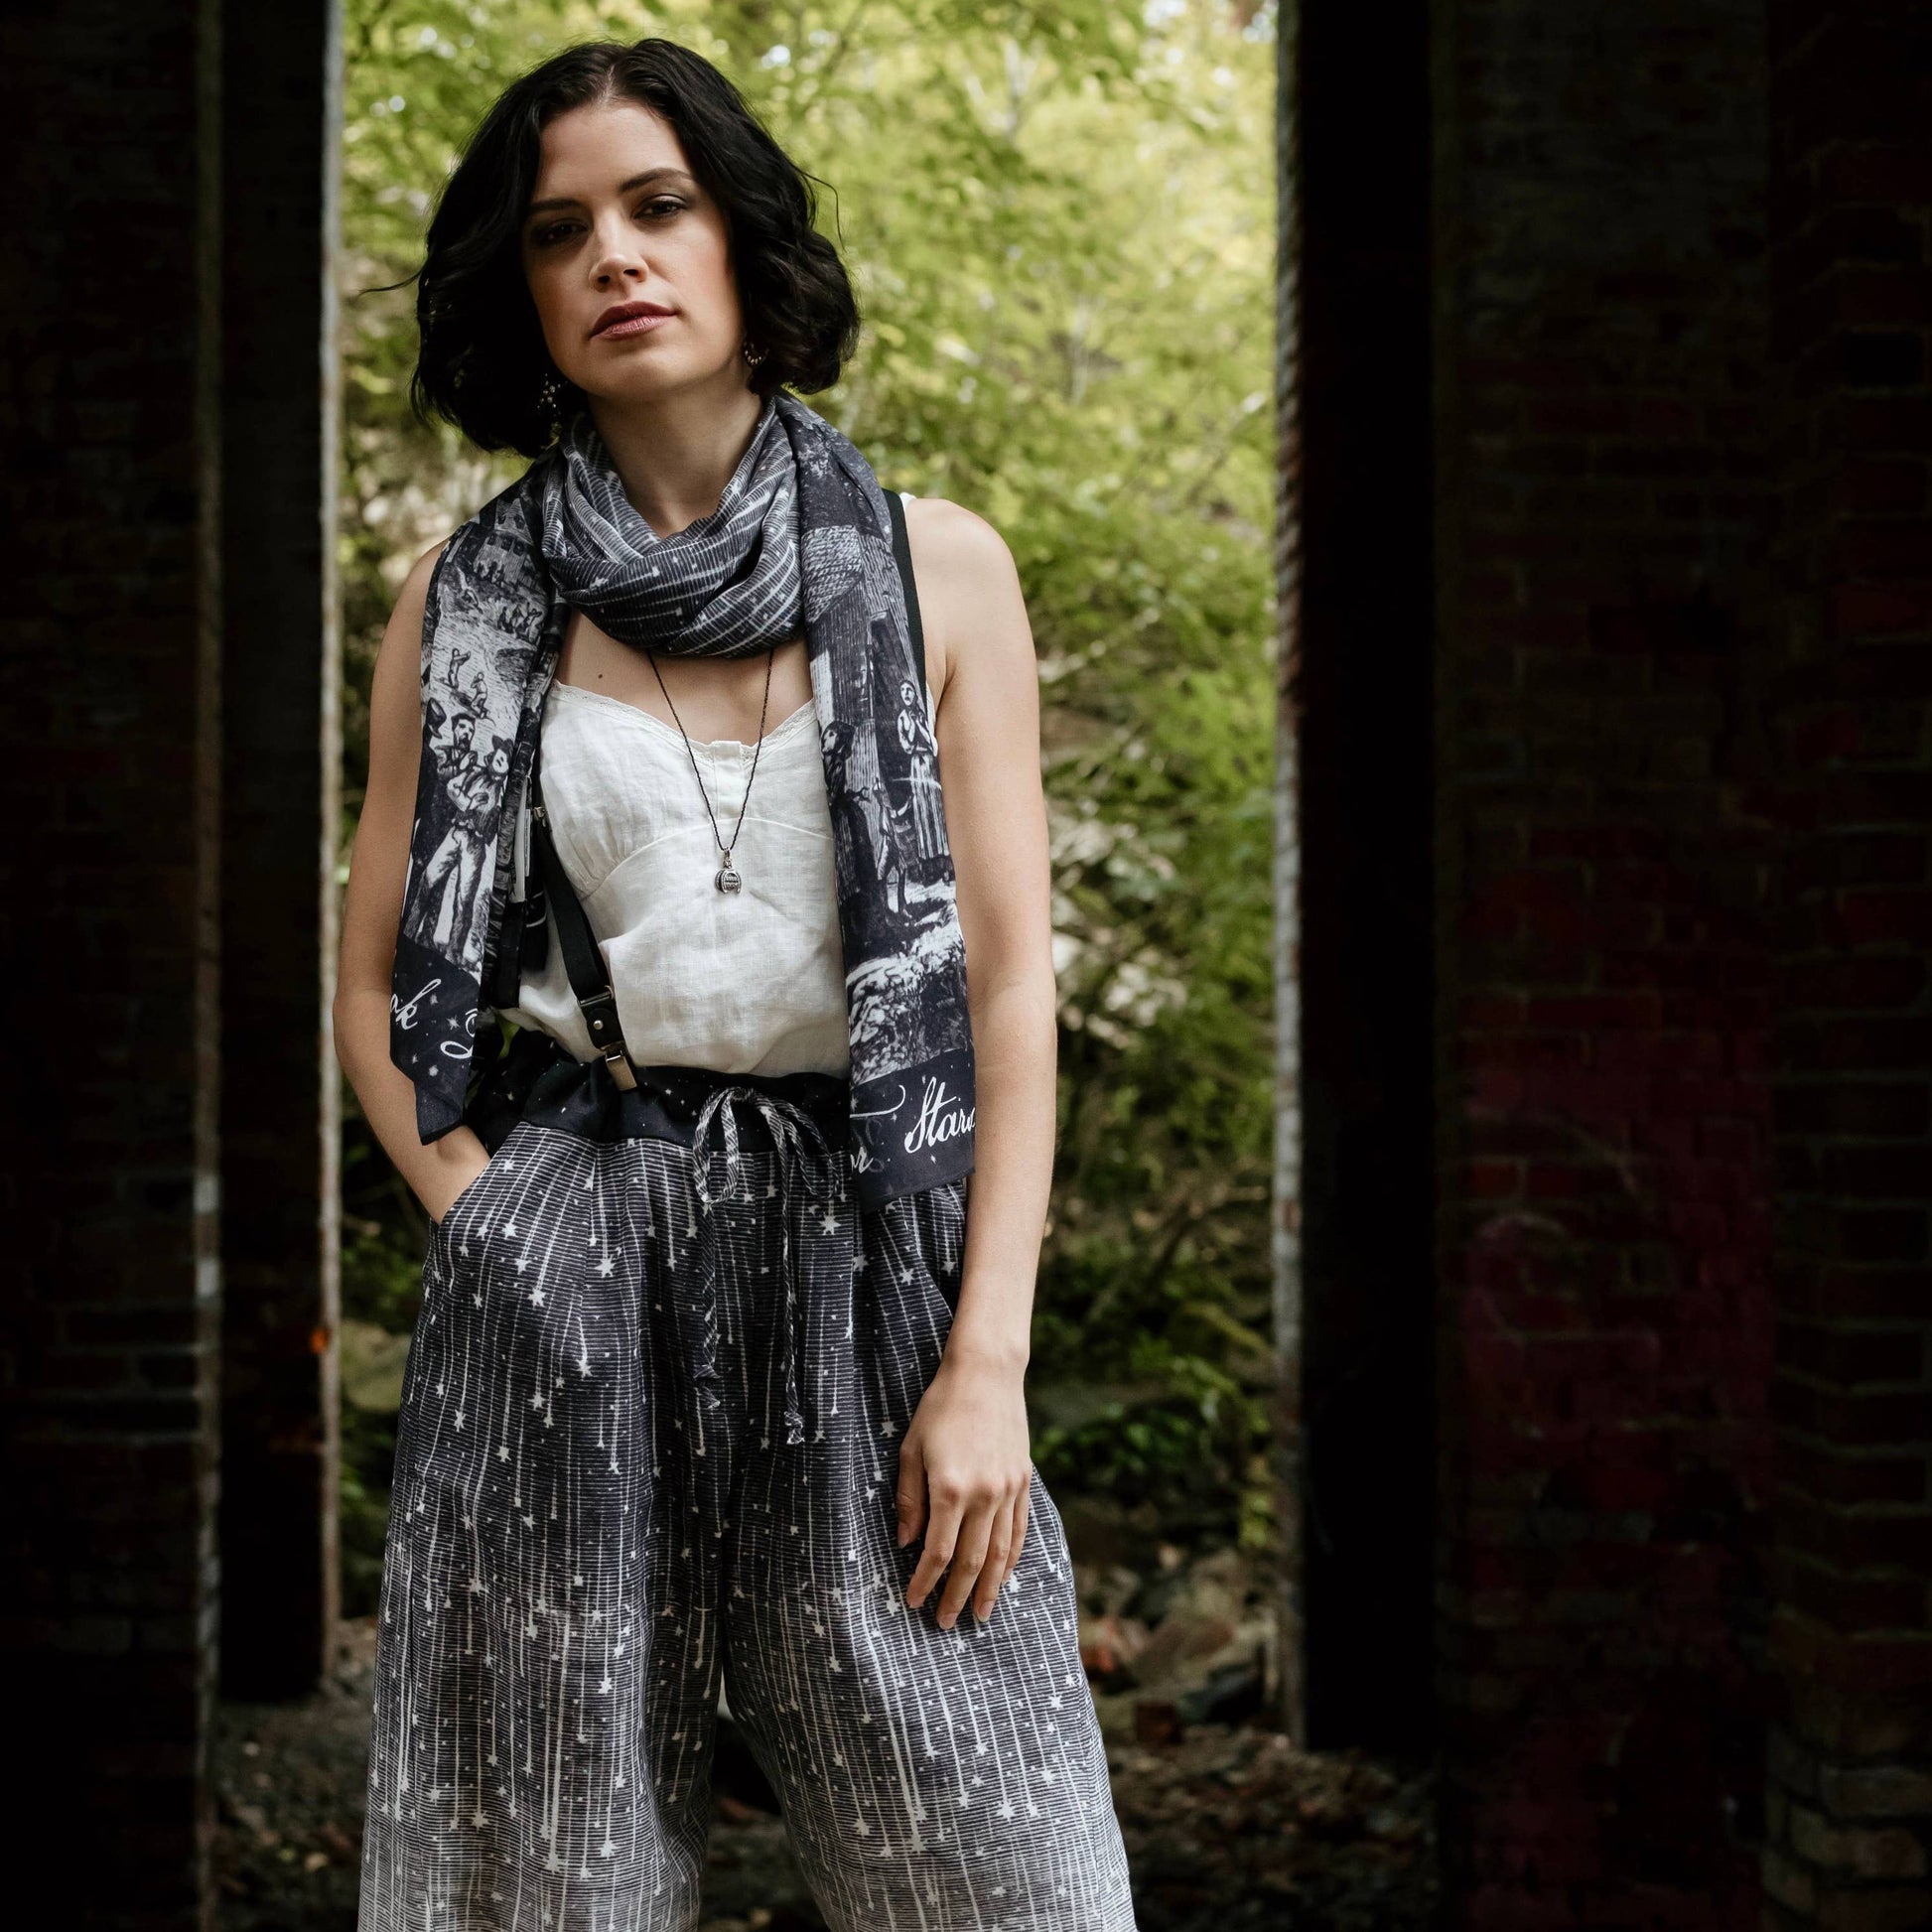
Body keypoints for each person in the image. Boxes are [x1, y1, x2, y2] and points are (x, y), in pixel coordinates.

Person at [334, 36, 1139, 1932]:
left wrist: (986, 1358)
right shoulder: (467, 601)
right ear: (521, 291)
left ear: (740, 240)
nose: (614, 253)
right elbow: (376, 976)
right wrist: (488, 1222)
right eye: (561, 228)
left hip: (873, 1257)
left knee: (1007, 1876)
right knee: (544, 1877)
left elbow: (1009, 988)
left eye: (657, 203)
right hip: (571, 1270)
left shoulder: (937, 570)